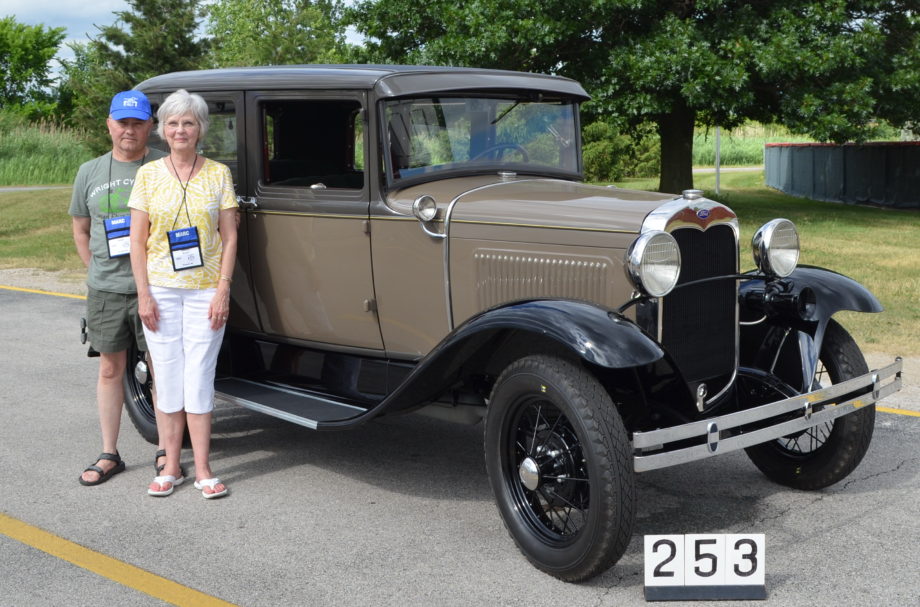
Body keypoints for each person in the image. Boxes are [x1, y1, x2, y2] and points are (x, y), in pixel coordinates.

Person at [129, 89, 238, 499]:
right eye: (173, 123)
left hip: (205, 292)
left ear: (200, 129)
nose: (180, 130)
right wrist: (144, 294)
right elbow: (138, 242)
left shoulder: (218, 174)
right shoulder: (148, 175)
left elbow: (229, 238)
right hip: (160, 291)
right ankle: (171, 465)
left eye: (188, 123)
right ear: (162, 130)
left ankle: (205, 469)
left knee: (199, 377)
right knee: (168, 377)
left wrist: (223, 290)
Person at [71, 90, 176, 486]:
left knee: (160, 370)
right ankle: (109, 453)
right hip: (107, 290)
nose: (129, 130)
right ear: (109, 125)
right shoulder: (90, 171)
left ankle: (166, 450)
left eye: (137, 122)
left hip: (159, 286)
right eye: (122, 122)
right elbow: (81, 228)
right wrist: (93, 269)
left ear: (150, 126)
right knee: (110, 367)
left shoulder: (165, 168)